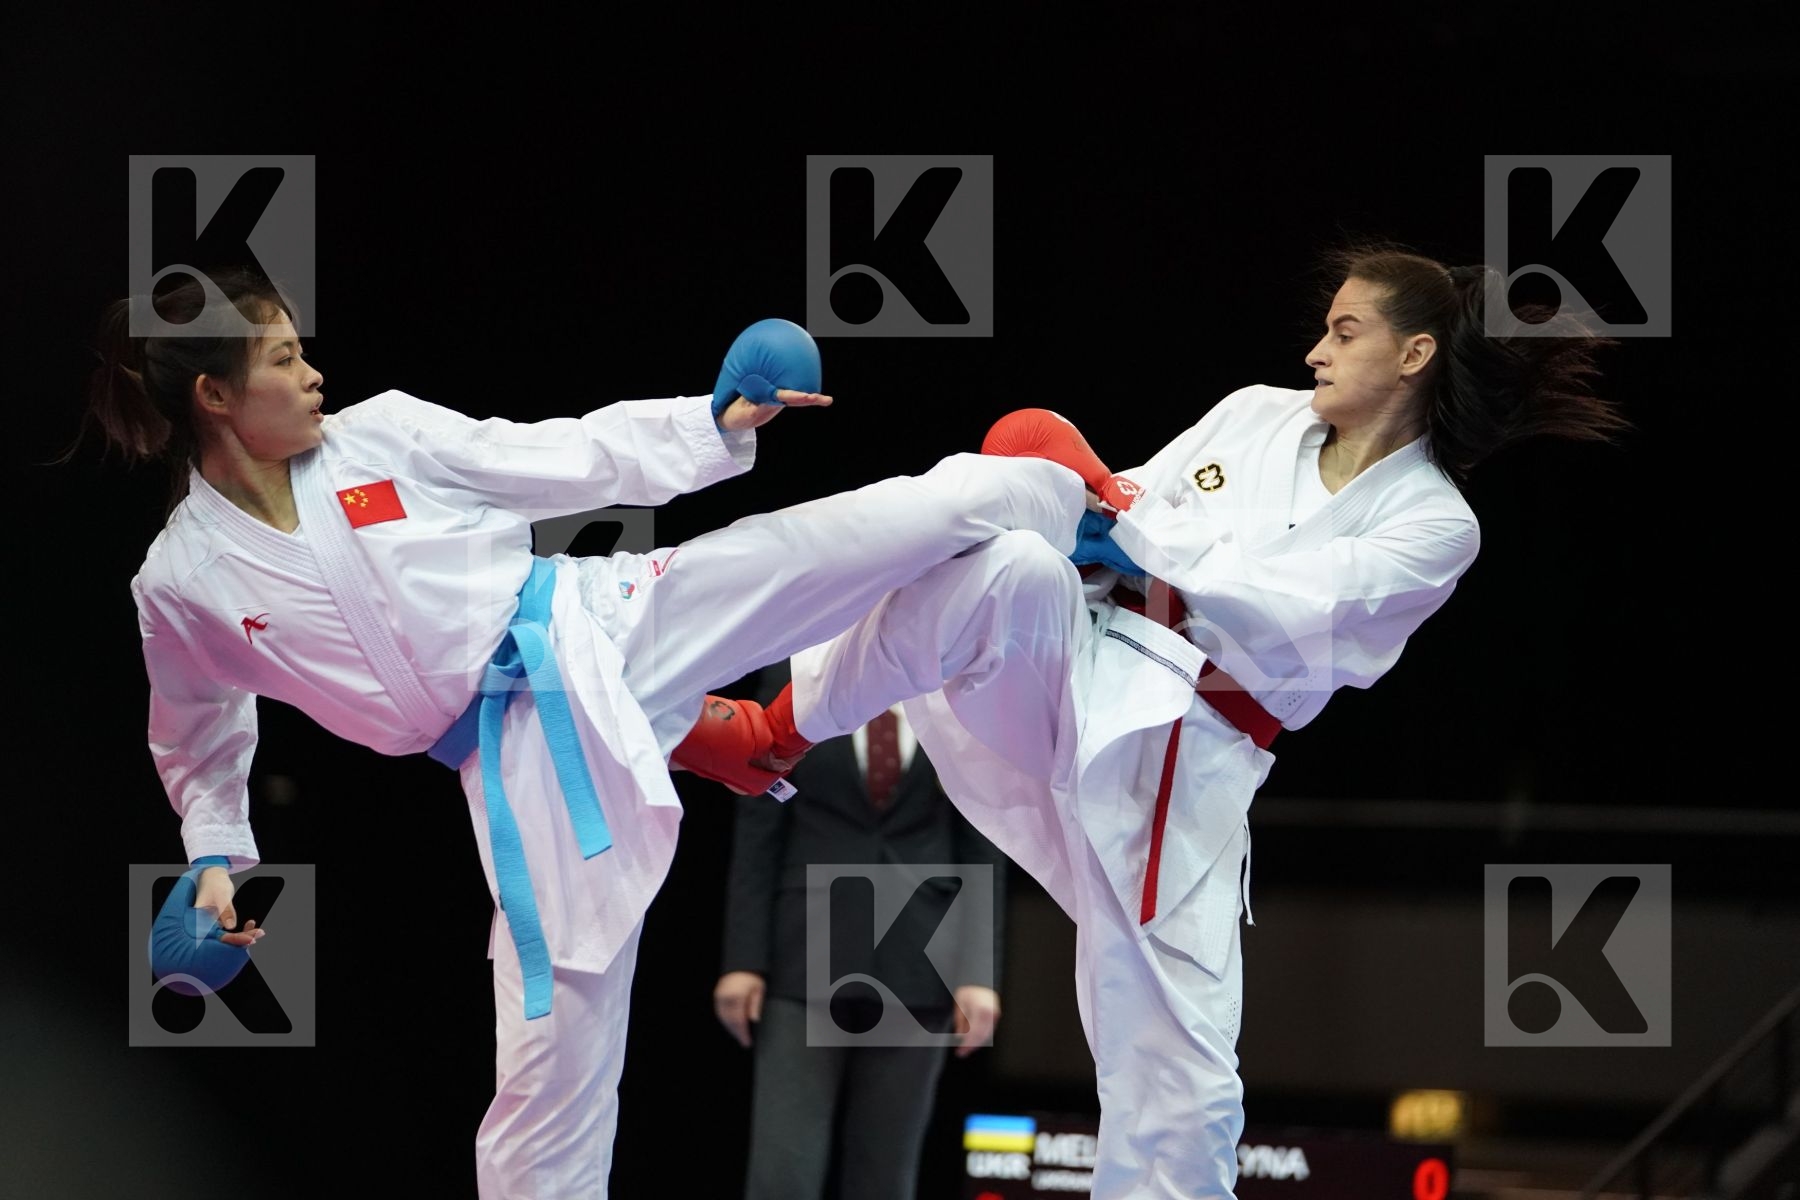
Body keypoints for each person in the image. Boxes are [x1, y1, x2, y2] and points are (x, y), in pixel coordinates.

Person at [87, 266, 1092, 1199]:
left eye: (303, 352)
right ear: (214, 398)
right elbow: (197, 735)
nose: (315, 375)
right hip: (512, 755)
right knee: (551, 1049)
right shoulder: (183, 585)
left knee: (852, 538)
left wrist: (710, 421)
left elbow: (558, 453)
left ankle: (1099, 504)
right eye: (283, 360)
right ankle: (763, 724)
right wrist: (215, 857)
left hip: (595, 616)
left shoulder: (378, 435)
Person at [705, 244, 1628, 1198]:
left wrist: (1124, 518)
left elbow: (1290, 602)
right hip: (1080, 662)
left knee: (1178, 1096)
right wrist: (1088, 505)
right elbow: (1131, 499)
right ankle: (770, 725)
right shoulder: (1251, 414)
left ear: (1414, 355)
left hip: (1188, 768)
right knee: (1002, 538)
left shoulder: (1435, 523)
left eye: (1344, 333)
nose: (1316, 350)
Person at [713, 659, 1005, 1200]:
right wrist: (742, 960)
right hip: (803, 955)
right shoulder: (799, 676)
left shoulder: (960, 689)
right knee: (784, 1175)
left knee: (885, 1176)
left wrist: (977, 970)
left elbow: (983, 835)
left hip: (919, 962)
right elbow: (758, 825)